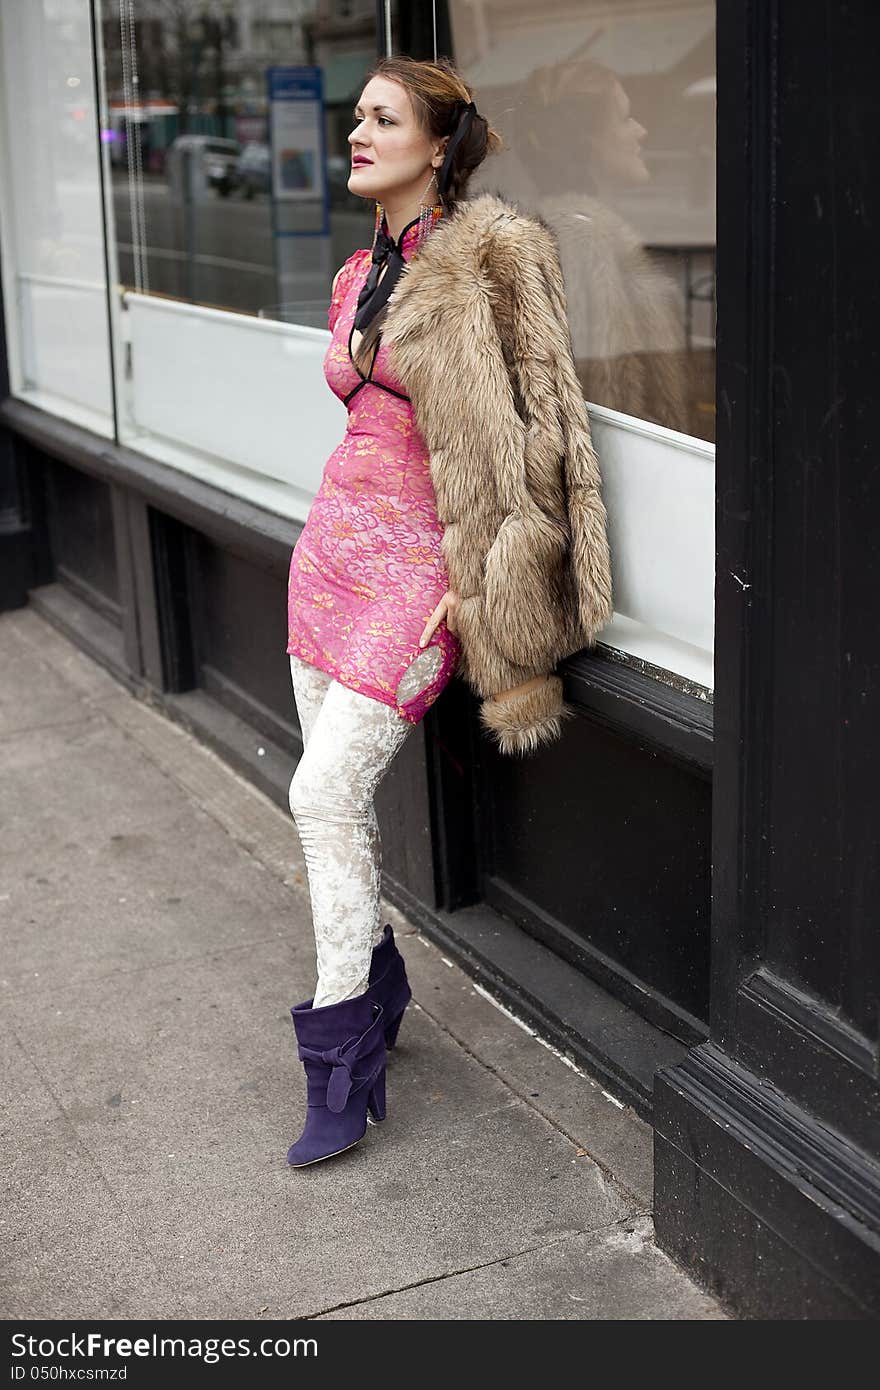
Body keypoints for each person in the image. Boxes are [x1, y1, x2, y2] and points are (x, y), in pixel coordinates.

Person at [284, 56, 613, 1168]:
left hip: (422, 574)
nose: (358, 134)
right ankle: (374, 988)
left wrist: (502, 592)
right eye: (357, 119)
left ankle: (338, 1063)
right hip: (327, 559)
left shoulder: (485, 264)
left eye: (384, 119)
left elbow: (538, 438)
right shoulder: (351, 277)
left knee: (321, 796)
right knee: (335, 813)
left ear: (437, 147)